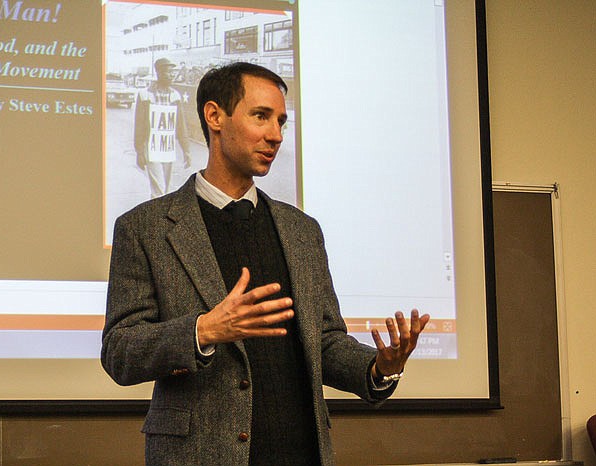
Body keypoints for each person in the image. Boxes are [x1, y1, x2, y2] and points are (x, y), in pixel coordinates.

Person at [102, 62, 430, 466]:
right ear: (214, 116)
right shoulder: (145, 228)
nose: (275, 135)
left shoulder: (301, 231)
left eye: (281, 121)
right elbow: (120, 351)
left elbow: (322, 342)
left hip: (301, 453)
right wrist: (205, 330)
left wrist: (380, 367)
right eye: (261, 117)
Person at [133, 57, 192, 198]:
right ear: (159, 72)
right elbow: (139, 126)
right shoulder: (145, 95)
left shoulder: (175, 96)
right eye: (168, 72)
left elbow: (180, 125)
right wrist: (139, 152)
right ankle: (157, 219)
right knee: (158, 191)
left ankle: (155, 216)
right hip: (151, 147)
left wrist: (186, 150)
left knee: (164, 189)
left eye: (173, 72)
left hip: (167, 148)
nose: (172, 75)